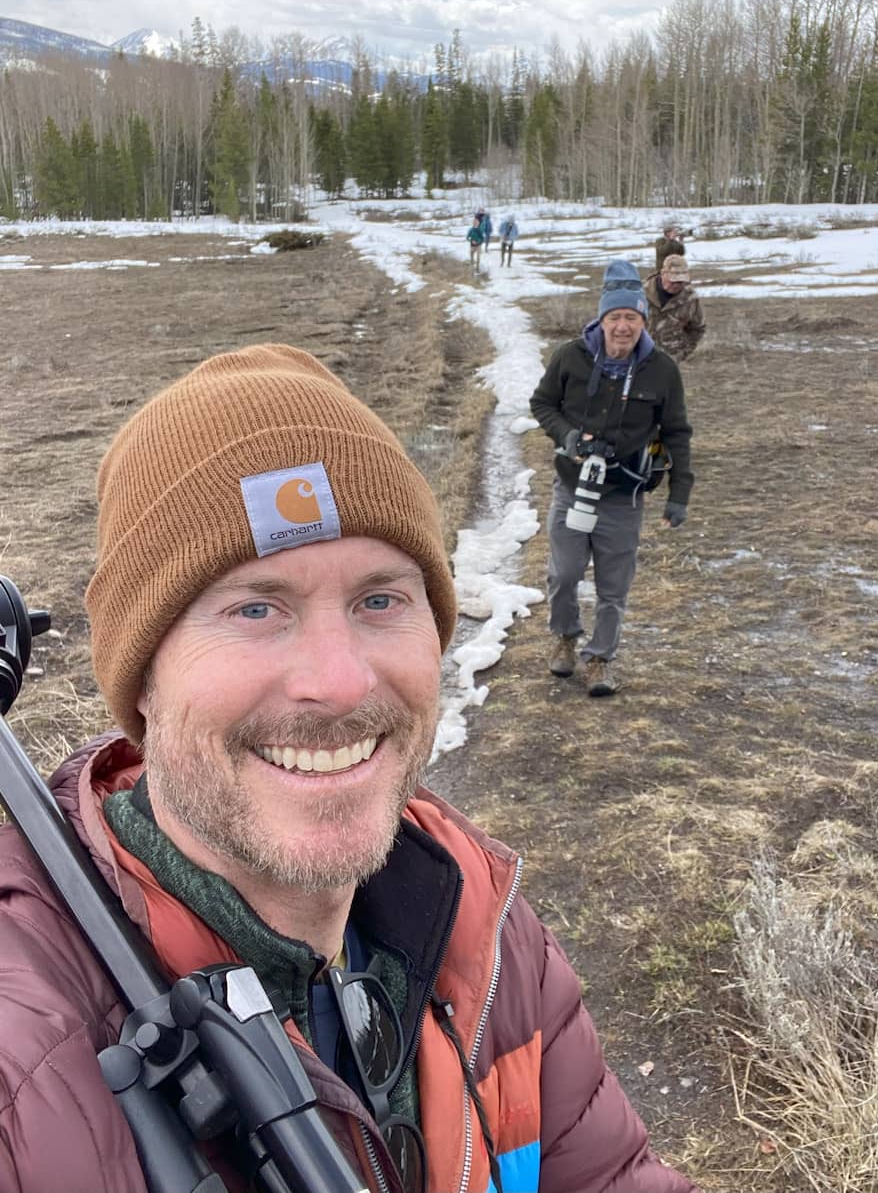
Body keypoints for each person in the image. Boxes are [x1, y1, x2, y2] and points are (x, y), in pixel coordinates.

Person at [0, 343, 698, 1193]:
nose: (338, 681)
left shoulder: (482, 932)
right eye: (256, 607)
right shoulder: (25, 1070)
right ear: (142, 676)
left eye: (380, 599)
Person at [530, 262, 693, 697]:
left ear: (643, 321)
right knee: (564, 574)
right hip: (572, 486)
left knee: (613, 585)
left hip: (624, 495)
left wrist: (680, 494)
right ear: (601, 320)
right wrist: (567, 436)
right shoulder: (570, 357)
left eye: (632, 319)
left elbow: (677, 432)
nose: (623, 328)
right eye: (614, 318)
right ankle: (565, 636)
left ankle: (600, 659)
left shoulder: (662, 370)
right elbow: (542, 403)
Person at [642, 253, 706, 362]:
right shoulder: (640, 293)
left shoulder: (690, 298)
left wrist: (682, 352)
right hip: (640, 358)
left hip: (670, 361)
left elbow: (697, 328)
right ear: (662, 273)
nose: (677, 285)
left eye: (681, 281)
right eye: (673, 280)